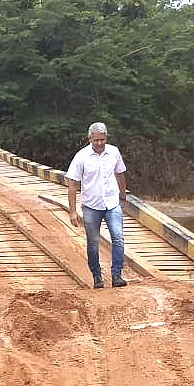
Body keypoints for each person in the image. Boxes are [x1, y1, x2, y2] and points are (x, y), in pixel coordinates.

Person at [67, 121, 128, 288]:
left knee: (118, 238)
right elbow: (72, 184)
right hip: (91, 206)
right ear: (89, 139)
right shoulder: (81, 157)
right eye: (96, 140)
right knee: (93, 242)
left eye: (102, 140)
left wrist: (123, 194)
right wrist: (72, 211)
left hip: (112, 203)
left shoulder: (114, 152)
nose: (100, 143)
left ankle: (117, 275)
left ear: (106, 137)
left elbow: (120, 173)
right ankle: (97, 276)